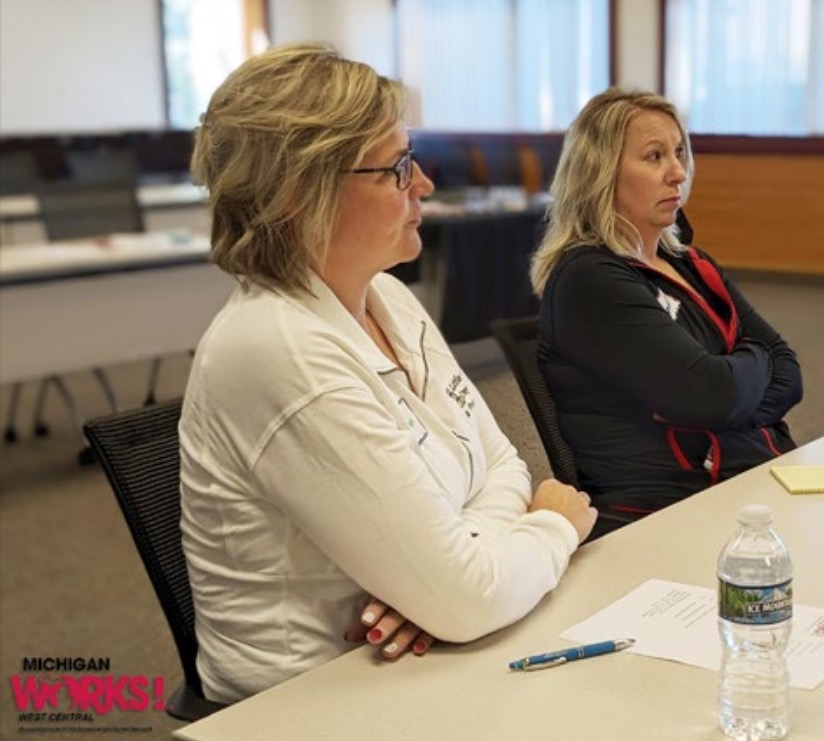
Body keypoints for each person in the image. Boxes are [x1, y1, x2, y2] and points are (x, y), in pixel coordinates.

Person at [180, 43, 596, 704]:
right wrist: (552, 526)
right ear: (299, 192)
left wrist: (444, 578)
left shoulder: (388, 298)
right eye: (396, 168)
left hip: (424, 657)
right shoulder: (279, 348)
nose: (423, 185)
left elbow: (501, 467)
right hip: (308, 702)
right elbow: (470, 595)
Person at [530, 88, 802, 540]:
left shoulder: (691, 264)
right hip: (666, 515)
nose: (677, 173)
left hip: (743, 488)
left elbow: (789, 372)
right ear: (600, 172)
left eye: (678, 153)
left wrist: (731, 398)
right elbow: (714, 394)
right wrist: (740, 380)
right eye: (653, 156)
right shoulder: (590, 278)